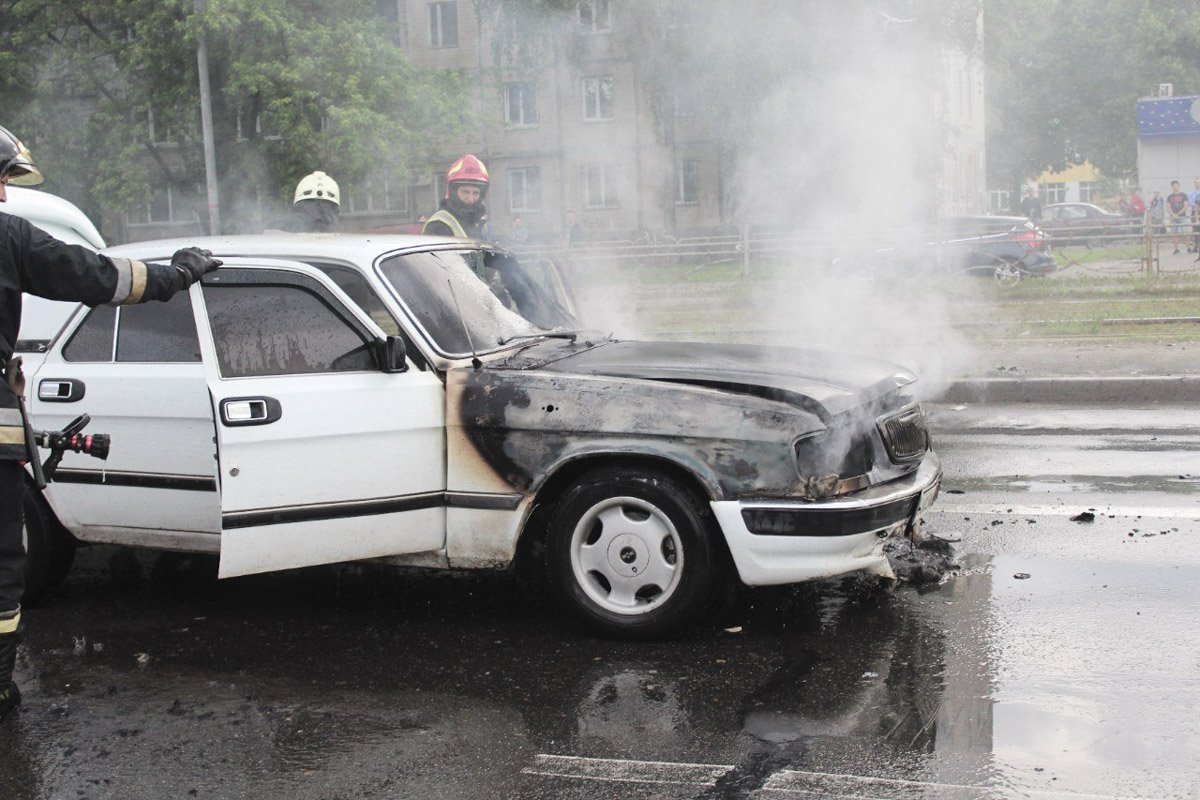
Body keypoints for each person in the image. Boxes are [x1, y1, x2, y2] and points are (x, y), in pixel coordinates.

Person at [0, 124, 221, 721]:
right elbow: (99, 277)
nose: (2, 194)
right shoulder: (8, 236)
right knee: (0, 565)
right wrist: (176, 274)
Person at [422, 155, 493, 241]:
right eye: (465, 192)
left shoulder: (479, 222)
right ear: (453, 192)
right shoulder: (439, 225)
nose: (470, 199)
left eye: (475, 193)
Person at [1165, 180, 1189, 254]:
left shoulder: (1184, 195)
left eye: (1176, 185)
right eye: (1173, 186)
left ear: (1179, 186)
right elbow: (1168, 207)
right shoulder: (1170, 196)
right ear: (1172, 187)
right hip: (1173, 218)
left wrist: (1178, 213)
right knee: (1174, 233)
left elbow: (1186, 205)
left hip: (1182, 217)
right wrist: (1173, 214)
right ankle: (1176, 249)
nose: (1175, 187)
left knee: (1185, 232)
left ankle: (1188, 247)